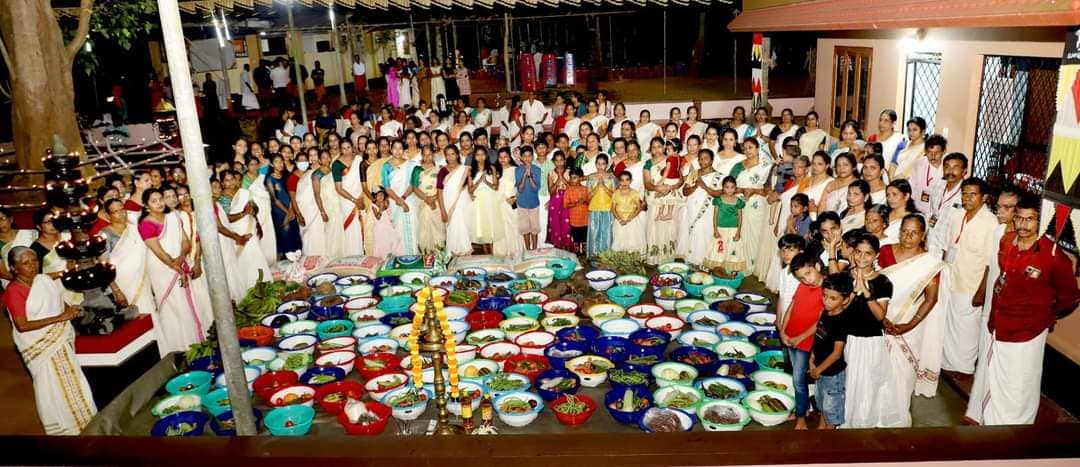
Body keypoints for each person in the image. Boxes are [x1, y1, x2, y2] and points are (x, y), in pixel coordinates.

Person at [968, 195, 1080, 425]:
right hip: (999, 323)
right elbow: (1003, 274)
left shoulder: (1053, 257)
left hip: (1028, 331)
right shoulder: (1007, 241)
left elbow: (1069, 297)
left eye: (1030, 220)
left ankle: (1015, 430)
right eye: (1018, 217)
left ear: (1042, 222)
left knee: (1019, 383)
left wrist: (1043, 314)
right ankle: (990, 422)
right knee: (995, 378)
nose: (1022, 224)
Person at [3, 246, 97, 435]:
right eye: (25, 263)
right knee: (51, 387)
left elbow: (58, 300)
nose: (32, 266)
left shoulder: (42, 281)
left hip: (60, 343)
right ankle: (64, 430)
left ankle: (86, 421)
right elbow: (22, 325)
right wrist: (60, 317)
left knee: (73, 381)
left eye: (34, 261)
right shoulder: (14, 292)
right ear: (13, 268)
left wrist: (71, 310)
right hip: (41, 348)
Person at [964, 187, 1019, 424]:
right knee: (985, 356)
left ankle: (998, 415)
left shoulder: (1025, 238)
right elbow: (989, 266)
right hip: (991, 303)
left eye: (1008, 208)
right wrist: (981, 293)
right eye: (1000, 205)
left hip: (1012, 309)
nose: (1001, 211)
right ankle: (977, 410)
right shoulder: (997, 232)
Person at [937, 177, 998, 377]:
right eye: (964, 193)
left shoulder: (990, 223)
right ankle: (946, 364)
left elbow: (990, 263)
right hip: (951, 278)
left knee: (967, 330)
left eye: (973, 194)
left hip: (971, 285)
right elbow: (948, 248)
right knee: (948, 325)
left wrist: (982, 291)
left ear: (984, 198)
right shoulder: (957, 215)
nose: (967, 198)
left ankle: (964, 368)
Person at [841, 233, 904, 428]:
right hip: (845, 338)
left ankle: (861, 422)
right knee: (846, 382)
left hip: (869, 342)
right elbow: (837, 308)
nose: (861, 258)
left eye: (868, 254)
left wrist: (865, 290)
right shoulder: (844, 277)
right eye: (858, 252)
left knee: (866, 385)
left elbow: (879, 316)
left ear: (876, 255)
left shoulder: (882, 282)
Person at [138, 189, 209, 354]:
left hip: (178, 261)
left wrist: (181, 257)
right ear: (147, 206)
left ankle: (195, 339)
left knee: (187, 301)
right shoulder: (146, 224)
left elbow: (185, 241)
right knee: (172, 304)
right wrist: (178, 268)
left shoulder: (174, 217)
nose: (160, 203)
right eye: (154, 201)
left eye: (160, 199)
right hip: (161, 269)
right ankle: (179, 346)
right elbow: (159, 252)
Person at [781, 252, 826, 430]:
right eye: (801, 277)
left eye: (808, 274)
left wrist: (800, 338)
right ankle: (804, 408)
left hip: (806, 342)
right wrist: (783, 331)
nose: (806, 280)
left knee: (798, 380)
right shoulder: (801, 286)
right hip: (791, 337)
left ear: (816, 266)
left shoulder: (826, 289)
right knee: (797, 377)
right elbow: (791, 307)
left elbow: (820, 321)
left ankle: (801, 419)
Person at [812, 272, 854, 429]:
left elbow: (837, 353)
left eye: (833, 298)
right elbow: (819, 337)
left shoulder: (841, 322)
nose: (826, 301)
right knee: (822, 403)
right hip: (820, 369)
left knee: (831, 409)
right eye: (824, 296)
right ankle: (820, 430)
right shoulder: (825, 313)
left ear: (846, 300)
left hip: (832, 374)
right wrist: (812, 358)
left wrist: (819, 369)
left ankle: (828, 441)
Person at [732, 138, 773, 273]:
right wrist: (742, 190)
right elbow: (728, 186)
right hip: (740, 205)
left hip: (758, 205)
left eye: (751, 147)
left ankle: (755, 265)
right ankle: (740, 264)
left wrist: (755, 190)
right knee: (741, 233)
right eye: (745, 148)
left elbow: (769, 189)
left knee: (756, 234)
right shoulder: (738, 166)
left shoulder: (766, 166)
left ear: (757, 148)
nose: (748, 150)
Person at [680, 149, 725, 267]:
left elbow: (719, 194)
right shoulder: (694, 173)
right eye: (700, 158)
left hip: (707, 210)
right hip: (691, 209)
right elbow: (685, 191)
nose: (702, 161)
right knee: (692, 233)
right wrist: (695, 187)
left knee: (703, 233)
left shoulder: (719, 176)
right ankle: (691, 260)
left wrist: (704, 187)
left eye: (706, 158)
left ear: (712, 160)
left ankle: (703, 261)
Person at [643, 138, 684, 264]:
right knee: (654, 228)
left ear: (664, 147)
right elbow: (647, 183)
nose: (657, 149)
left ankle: (668, 258)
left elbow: (681, 179)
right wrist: (658, 188)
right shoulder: (648, 164)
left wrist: (671, 187)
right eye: (653, 147)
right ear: (650, 149)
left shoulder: (671, 159)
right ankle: (654, 258)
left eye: (659, 146)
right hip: (655, 198)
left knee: (670, 228)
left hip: (671, 197)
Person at [382, 140, 419, 255]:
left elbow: (413, 184)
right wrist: (400, 202)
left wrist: (403, 198)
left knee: (412, 228)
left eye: (400, 148)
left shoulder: (410, 164)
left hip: (409, 199)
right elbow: (387, 188)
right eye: (395, 148)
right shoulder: (386, 166)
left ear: (404, 150)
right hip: (394, 203)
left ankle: (413, 255)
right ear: (391, 149)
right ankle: (400, 257)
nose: (397, 151)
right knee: (398, 231)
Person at [332, 140, 367, 258]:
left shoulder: (359, 160)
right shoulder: (336, 164)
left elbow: (364, 181)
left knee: (364, 225)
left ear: (352, 147)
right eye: (344, 148)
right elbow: (338, 188)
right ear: (340, 149)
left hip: (362, 197)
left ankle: (365, 254)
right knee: (351, 228)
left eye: (348, 147)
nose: (347, 150)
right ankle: (352, 256)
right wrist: (354, 200)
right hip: (347, 201)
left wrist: (361, 197)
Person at [437, 146, 473, 256]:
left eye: (453, 154)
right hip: (449, 205)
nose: (450, 157)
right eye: (448, 154)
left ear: (457, 154)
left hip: (463, 205)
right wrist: (443, 210)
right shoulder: (442, 171)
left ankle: (466, 257)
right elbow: (439, 192)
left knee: (464, 229)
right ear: (445, 156)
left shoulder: (465, 169)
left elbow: (470, 187)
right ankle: (453, 256)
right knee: (452, 229)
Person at [709, 175, 747, 276]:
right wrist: (715, 230)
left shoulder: (738, 201)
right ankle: (719, 272)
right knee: (719, 250)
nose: (729, 190)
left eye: (732, 187)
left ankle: (731, 272)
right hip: (721, 229)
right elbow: (715, 216)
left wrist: (738, 231)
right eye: (727, 187)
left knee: (733, 250)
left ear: (735, 188)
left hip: (733, 230)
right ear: (723, 187)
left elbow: (740, 217)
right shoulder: (719, 200)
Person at [468, 147, 502, 254]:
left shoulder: (491, 168)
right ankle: (486, 255)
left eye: (482, 154)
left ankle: (492, 255)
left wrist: (486, 181)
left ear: (486, 156)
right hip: (478, 201)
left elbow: (496, 187)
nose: (480, 157)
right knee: (481, 228)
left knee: (490, 227)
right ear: (474, 157)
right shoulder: (471, 171)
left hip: (489, 200)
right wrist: (479, 181)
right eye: (477, 154)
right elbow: (470, 190)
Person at [412, 145, 445, 254]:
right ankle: (426, 255)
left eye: (429, 155)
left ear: (433, 155)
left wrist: (434, 198)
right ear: (422, 155)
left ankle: (439, 255)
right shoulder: (417, 169)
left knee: (438, 229)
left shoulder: (439, 168)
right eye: (425, 155)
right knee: (425, 229)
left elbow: (442, 186)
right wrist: (427, 199)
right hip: (423, 202)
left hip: (437, 202)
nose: (427, 157)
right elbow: (414, 187)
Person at [494, 147, 525, 257]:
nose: (503, 159)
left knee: (513, 226)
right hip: (499, 204)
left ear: (509, 157)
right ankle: (502, 253)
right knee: (501, 228)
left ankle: (515, 252)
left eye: (505, 157)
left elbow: (522, 187)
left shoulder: (515, 170)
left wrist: (515, 198)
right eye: (500, 157)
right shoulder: (495, 171)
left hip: (512, 203)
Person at [585, 154, 615, 258]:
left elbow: (615, 196)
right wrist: (598, 186)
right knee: (594, 234)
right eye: (598, 164)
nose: (600, 166)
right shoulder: (591, 178)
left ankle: (606, 258)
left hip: (608, 210)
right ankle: (595, 258)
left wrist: (605, 187)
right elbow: (588, 197)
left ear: (607, 165)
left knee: (606, 235)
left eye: (603, 164)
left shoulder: (611, 178)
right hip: (594, 209)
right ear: (595, 164)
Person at [611, 171, 646, 255]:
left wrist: (630, 218)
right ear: (619, 181)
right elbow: (612, 208)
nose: (624, 182)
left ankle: (632, 261)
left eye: (627, 180)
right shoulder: (616, 193)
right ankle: (621, 261)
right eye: (622, 180)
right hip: (620, 220)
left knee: (632, 240)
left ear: (631, 181)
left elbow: (638, 208)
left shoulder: (634, 193)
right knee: (620, 240)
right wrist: (619, 219)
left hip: (632, 220)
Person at [911, 134, 947, 215]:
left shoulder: (948, 167)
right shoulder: (919, 164)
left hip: (939, 212)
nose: (933, 156)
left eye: (937, 152)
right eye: (929, 152)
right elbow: (912, 188)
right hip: (919, 209)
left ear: (944, 151)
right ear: (925, 151)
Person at [0, 207, 38, 281]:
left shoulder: (30, 234)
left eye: (3, 218)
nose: (0, 222)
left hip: (39, 276)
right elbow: (3, 273)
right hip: (12, 282)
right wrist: (25, 281)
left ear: (11, 219)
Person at [515, 147, 542, 251]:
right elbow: (520, 189)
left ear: (532, 157)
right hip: (522, 203)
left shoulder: (537, 169)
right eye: (524, 156)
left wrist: (530, 176)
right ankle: (527, 249)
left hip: (534, 203)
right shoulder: (518, 170)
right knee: (525, 228)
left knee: (534, 228)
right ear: (521, 158)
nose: (527, 158)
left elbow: (536, 189)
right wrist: (524, 175)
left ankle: (534, 249)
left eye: (529, 156)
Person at [547, 152, 573, 251]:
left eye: (561, 160)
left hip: (567, 200)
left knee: (567, 224)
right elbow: (551, 191)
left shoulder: (569, 172)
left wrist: (563, 178)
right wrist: (558, 180)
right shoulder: (551, 173)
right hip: (555, 201)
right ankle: (557, 247)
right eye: (556, 161)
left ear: (564, 161)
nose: (559, 163)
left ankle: (567, 247)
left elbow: (571, 188)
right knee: (555, 223)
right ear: (554, 162)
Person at [564, 168, 589, 255]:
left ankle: (585, 255)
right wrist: (576, 204)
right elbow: (565, 205)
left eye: (574, 177)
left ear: (581, 178)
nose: (572, 180)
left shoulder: (586, 189)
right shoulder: (568, 190)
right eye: (571, 178)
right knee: (576, 239)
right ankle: (577, 254)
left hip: (585, 220)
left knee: (584, 239)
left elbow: (590, 202)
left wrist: (585, 202)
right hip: (574, 221)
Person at [370, 190, 402, 257]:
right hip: (379, 228)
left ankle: (389, 257)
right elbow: (378, 218)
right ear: (375, 196)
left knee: (389, 241)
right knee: (381, 243)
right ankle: (380, 259)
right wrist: (381, 209)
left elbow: (388, 209)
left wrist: (385, 204)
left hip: (387, 227)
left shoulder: (385, 203)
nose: (381, 197)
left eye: (382, 195)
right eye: (379, 195)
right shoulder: (373, 206)